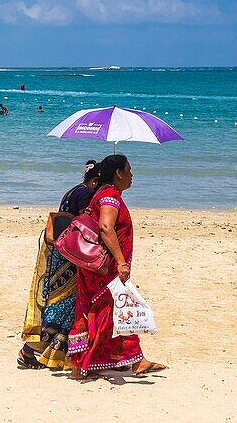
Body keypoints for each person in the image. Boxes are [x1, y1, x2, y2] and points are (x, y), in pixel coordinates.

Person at [67, 155, 167, 379]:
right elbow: (105, 227)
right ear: (118, 174)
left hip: (96, 268)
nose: (132, 175)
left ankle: (89, 364)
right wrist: (121, 261)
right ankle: (91, 365)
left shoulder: (101, 194)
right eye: (129, 170)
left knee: (105, 312)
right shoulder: (110, 197)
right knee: (111, 311)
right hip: (106, 269)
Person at [19, 160, 100, 371]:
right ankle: (30, 350)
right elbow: (85, 224)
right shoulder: (85, 195)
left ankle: (46, 351)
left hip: (59, 249)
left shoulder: (73, 191)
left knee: (57, 300)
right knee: (64, 302)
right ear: (95, 181)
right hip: (69, 253)